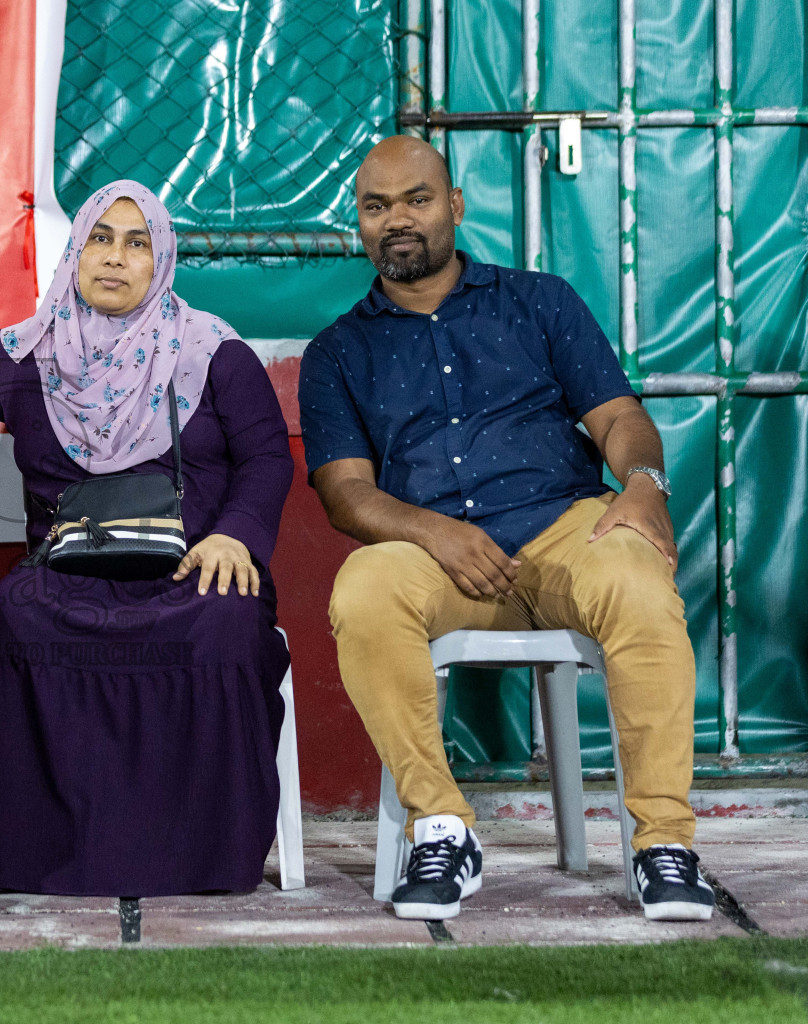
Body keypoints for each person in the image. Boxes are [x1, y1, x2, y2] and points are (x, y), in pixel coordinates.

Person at [299, 135, 714, 923]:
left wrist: (644, 486)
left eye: (416, 199)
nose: (397, 221)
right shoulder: (338, 352)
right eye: (376, 206)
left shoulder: (539, 301)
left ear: (454, 206)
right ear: (357, 222)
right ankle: (443, 826)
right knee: (363, 588)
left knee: (637, 577)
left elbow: (620, 417)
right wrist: (432, 533)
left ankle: (664, 841)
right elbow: (346, 494)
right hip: (439, 559)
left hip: (564, 530)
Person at [0, 180, 294, 896]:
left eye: (138, 243)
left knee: (224, 621)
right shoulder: (25, 354)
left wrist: (236, 540)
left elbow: (267, 456)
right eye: (101, 238)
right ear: (76, 250)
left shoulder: (213, 353)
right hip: (65, 575)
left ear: (162, 260)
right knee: (14, 612)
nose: (116, 258)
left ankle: (202, 856)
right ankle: (46, 856)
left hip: (192, 570)